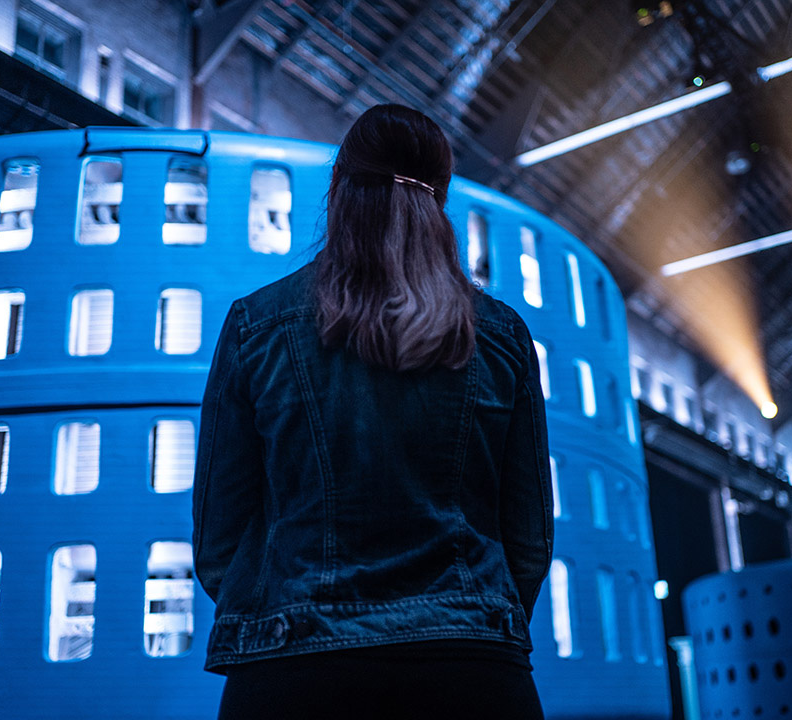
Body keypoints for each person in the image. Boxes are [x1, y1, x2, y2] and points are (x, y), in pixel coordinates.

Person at [193, 104, 552, 719]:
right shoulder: (502, 337)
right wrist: (468, 618)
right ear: (439, 204)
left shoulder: (259, 325)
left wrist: (287, 608)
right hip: (472, 675)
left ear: (339, 193)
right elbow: (528, 540)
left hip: (296, 673)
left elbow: (218, 534)